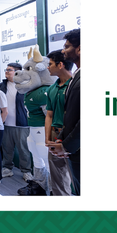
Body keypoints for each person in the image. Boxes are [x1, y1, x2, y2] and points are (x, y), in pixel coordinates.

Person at [48, 28, 81, 195]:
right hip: (72, 148)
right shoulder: (77, 76)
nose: (63, 50)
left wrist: (66, 145)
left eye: (67, 46)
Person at [45, 50, 74, 195]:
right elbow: (49, 115)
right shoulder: (51, 88)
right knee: (57, 178)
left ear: (60, 64)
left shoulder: (75, 86)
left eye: (50, 64)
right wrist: (47, 138)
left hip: (72, 136)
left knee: (76, 176)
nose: (48, 67)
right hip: (55, 135)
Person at [0, 63, 33, 181]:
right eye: (6, 70)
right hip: (5, 123)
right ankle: (7, 168)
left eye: (10, 70)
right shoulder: (1, 86)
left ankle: (26, 171)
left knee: (23, 149)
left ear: (17, 72)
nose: (7, 72)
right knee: (7, 148)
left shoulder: (25, 85)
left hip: (21, 123)